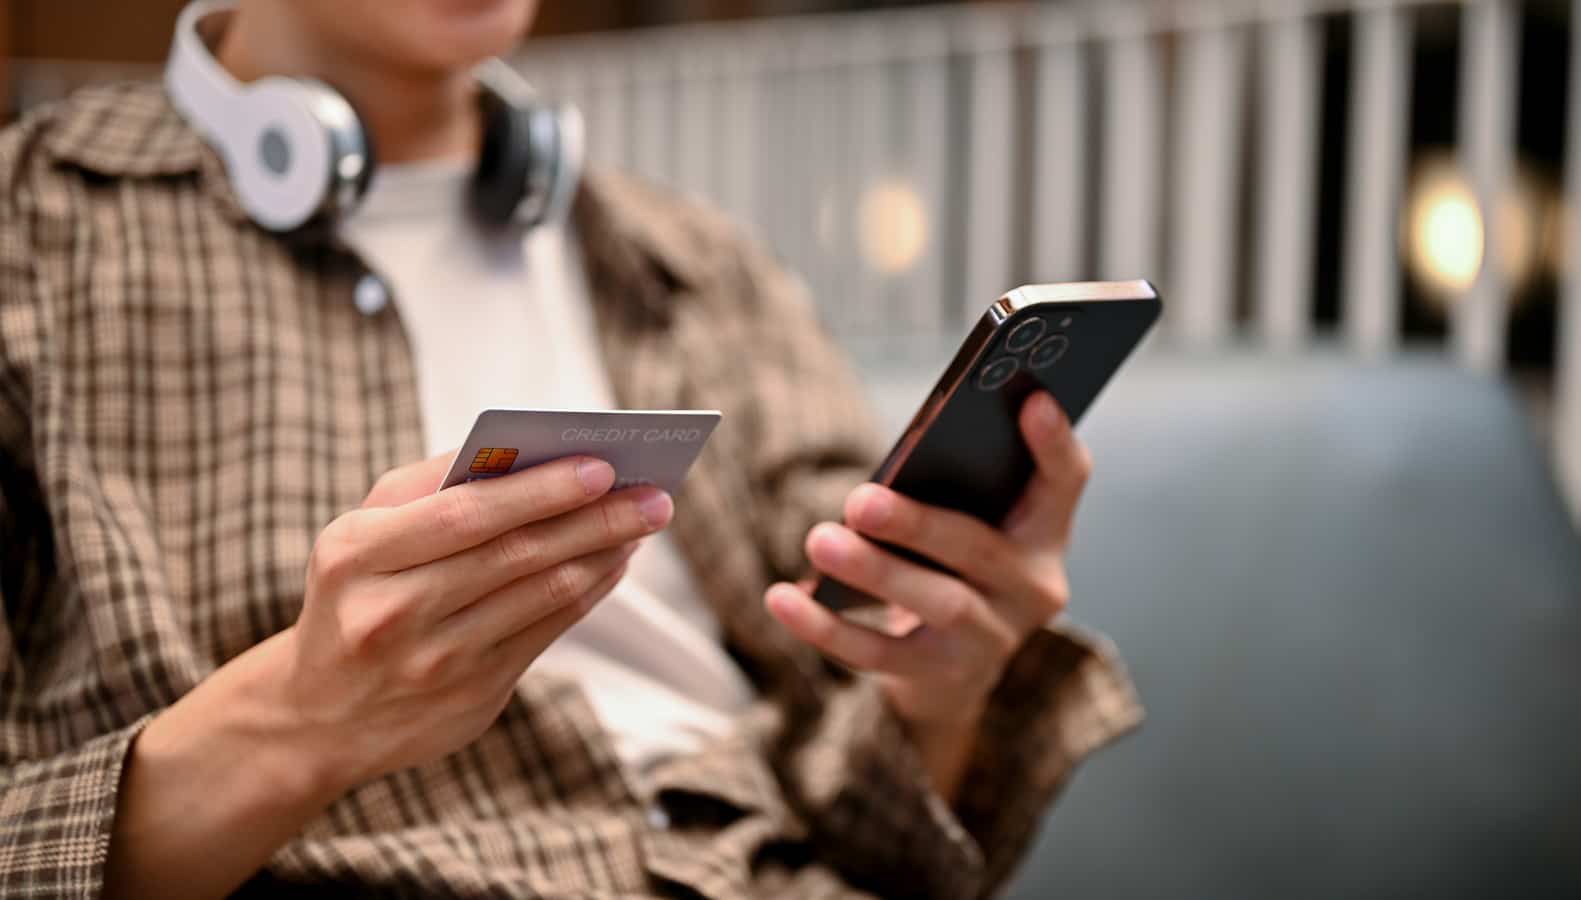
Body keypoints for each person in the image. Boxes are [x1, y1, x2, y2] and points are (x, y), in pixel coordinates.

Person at [0, 1, 1140, 897]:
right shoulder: (34, 245)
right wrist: (298, 725)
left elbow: (885, 841)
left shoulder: (696, 263)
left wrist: (942, 693)